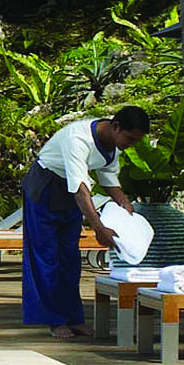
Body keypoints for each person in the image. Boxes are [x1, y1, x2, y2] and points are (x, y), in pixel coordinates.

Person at [21, 105, 152, 331]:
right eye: (129, 139)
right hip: (46, 186)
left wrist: (126, 206)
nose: (130, 144)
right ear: (116, 126)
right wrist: (98, 227)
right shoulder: (78, 138)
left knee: (70, 257)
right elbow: (80, 187)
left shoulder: (114, 144)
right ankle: (55, 320)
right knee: (46, 255)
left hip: (72, 194)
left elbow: (109, 179)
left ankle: (73, 317)